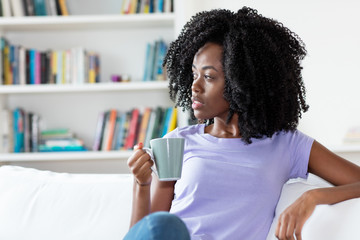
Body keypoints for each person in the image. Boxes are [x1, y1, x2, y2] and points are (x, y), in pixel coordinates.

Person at [125, 7, 360, 240]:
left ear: (242, 81)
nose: (194, 86)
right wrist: (142, 184)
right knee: (164, 224)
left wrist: (315, 197)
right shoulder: (177, 142)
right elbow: (150, 231)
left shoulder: (287, 144)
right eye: (194, 74)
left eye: (208, 77)